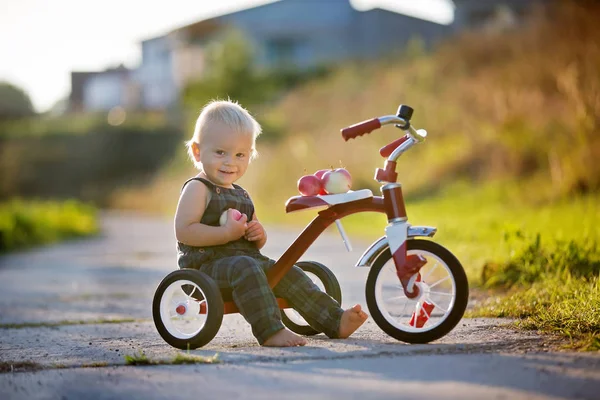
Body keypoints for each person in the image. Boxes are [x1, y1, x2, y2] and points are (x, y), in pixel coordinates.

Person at [174, 99, 368, 347]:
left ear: (250, 155)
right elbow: (184, 231)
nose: (230, 162)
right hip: (206, 269)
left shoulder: (241, 193)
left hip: (245, 264)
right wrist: (224, 234)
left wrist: (258, 234)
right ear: (197, 151)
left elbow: (256, 240)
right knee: (246, 266)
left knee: (287, 272)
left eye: (240, 154)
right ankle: (270, 331)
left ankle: (335, 320)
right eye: (220, 152)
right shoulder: (198, 189)